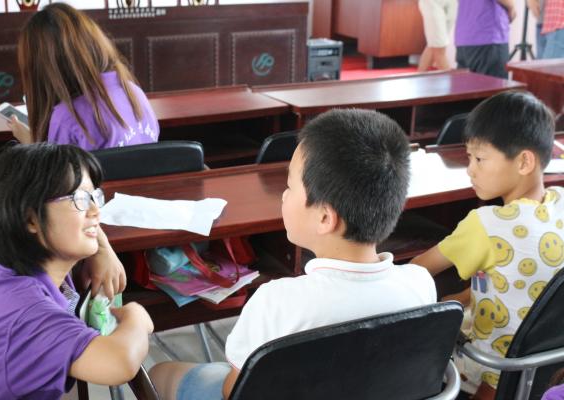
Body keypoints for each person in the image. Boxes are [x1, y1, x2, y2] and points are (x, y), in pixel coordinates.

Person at [148, 109, 437, 399]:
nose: (284, 195)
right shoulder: (420, 285)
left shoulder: (276, 302)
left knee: (160, 373)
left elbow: (234, 391)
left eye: (290, 187)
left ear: (325, 218)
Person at [0, 143, 154, 399]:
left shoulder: (7, 267)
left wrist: (102, 249)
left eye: (94, 196)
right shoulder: (29, 314)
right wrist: (137, 318)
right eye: (80, 199)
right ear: (31, 219)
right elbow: (120, 362)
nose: (96, 210)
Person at [412, 91, 560, 398]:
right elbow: (529, 283)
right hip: (548, 369)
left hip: (493, 375)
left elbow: (416, 271)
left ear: (524, 161)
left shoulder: (486, 225)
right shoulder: (560, 203)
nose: (470, 169)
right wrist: (465, 296)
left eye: (479, 158)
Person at [9, 3, 159, 150]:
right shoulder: (134, 93)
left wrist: (31, 145)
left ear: (41, 68)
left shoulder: (66, 119)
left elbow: (55, 167)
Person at [454, 0, 516, 79]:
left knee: (466, 85)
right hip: (488, 36)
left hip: (464, 37)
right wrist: (511, 8)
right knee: (494, 86)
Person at [418, 0, 458, 71]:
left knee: (434, 44)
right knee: (439, 47)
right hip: (432, 2)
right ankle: (449, 78)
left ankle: (420, 74)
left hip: (453, 3)